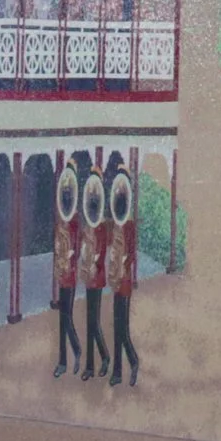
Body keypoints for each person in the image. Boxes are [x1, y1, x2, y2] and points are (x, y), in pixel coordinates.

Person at [106, 155, 141, 388]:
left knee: (122, 328)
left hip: (124, 282)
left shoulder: (129, 225)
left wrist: (122, 266)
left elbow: (131, 255)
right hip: (115, 280)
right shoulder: (116, 224)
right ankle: (118, 371)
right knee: (116, 326)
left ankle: (133, 361)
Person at [78, 157, 111, 383]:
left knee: (94, 322)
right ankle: (90, 365)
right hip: (88, 276)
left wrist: (93, 262)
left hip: (96, 278)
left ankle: (104, 357)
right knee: (89, 321)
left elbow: (101, 253)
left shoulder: (100, 225)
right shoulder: (88, 223)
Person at [52, 154, 83, 378]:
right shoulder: (61, 219)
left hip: (69, 275)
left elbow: (77, 248)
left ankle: (75, 350)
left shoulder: (74, 220)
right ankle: (63, 360)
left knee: (66, 317)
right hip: (61, 273)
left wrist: (69, 258)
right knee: (63, 318)